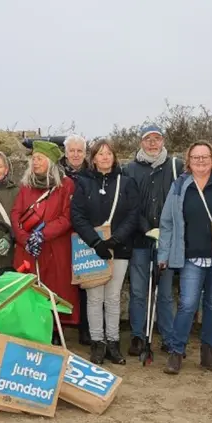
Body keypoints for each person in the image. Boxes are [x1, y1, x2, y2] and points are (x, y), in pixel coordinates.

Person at [158, 141, 212, 374]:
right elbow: (166, 223)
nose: (200, 161)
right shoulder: (180, 186)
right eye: (196, 157)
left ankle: (208, 353)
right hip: (190, 258)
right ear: (189, 160)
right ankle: (176, 353)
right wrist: (163, 254)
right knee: (187, 305)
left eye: (204, 157)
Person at [71, 139, 138, 364]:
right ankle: (97, 343)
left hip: (118, 248)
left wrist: (115, 239)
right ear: (93, 158)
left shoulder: (126, 182)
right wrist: (95, 242)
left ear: (114, 157)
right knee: (94, 297)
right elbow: (77, 215)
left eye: (109, 153)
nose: (105, 157)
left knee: (112, 297)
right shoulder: (83, 182)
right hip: (92, 249)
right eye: (100, 153)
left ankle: (113, 342)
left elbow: (132, 214)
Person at [11, 140, 80, 343]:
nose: (35, 162)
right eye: (33, 159)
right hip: (29, 248)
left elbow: (66, 217)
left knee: (55, 288)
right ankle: (32, 326)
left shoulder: (66, 186)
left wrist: (44, 234)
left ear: (50, 161)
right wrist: (25, 238)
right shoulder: (26, 185)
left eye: (39, 159)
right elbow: (16, 214)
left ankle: (56, 329)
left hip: (55, 246)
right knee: (30, 288)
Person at [123, 124, 183, 356]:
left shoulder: (175, 166)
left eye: (156, 139)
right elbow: (130, 205)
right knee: (139, 291)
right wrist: (147, 228)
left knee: (165, 293)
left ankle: (168, 337)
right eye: (148, 139)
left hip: (166, 241)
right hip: (140, 239)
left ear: (163, 141)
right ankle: (138, 335)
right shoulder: (130, 169)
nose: (152, 143)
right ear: (141, 142)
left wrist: (165, 231)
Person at [60, 134, 91, 344]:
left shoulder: (93, 173)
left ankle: (85, 327)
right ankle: (57, 327)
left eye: (80, 150)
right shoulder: (56, 173)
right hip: (61, 233)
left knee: (86, 283)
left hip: (84, 234)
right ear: (65, 152)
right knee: (58, 280)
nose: (76, 154)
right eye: (72, 150)